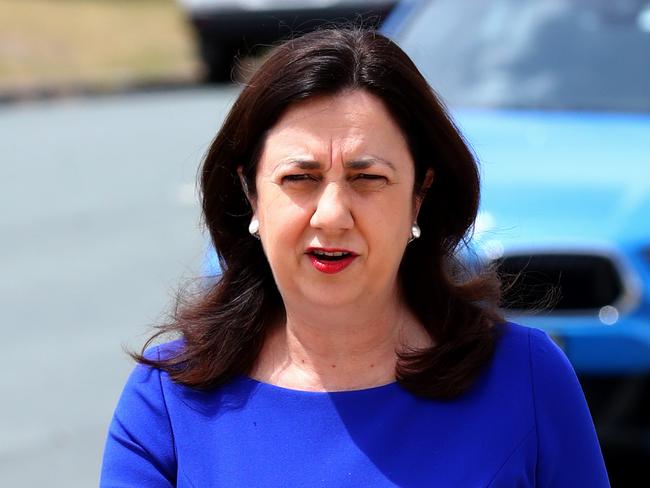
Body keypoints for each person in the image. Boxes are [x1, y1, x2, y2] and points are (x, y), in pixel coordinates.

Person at [100, 28, 610, 487]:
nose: (332, 214)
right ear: (250, 194)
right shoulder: (167, 398)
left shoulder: (526, 377)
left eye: (368, 179)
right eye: (299, 178)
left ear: (419, 195)